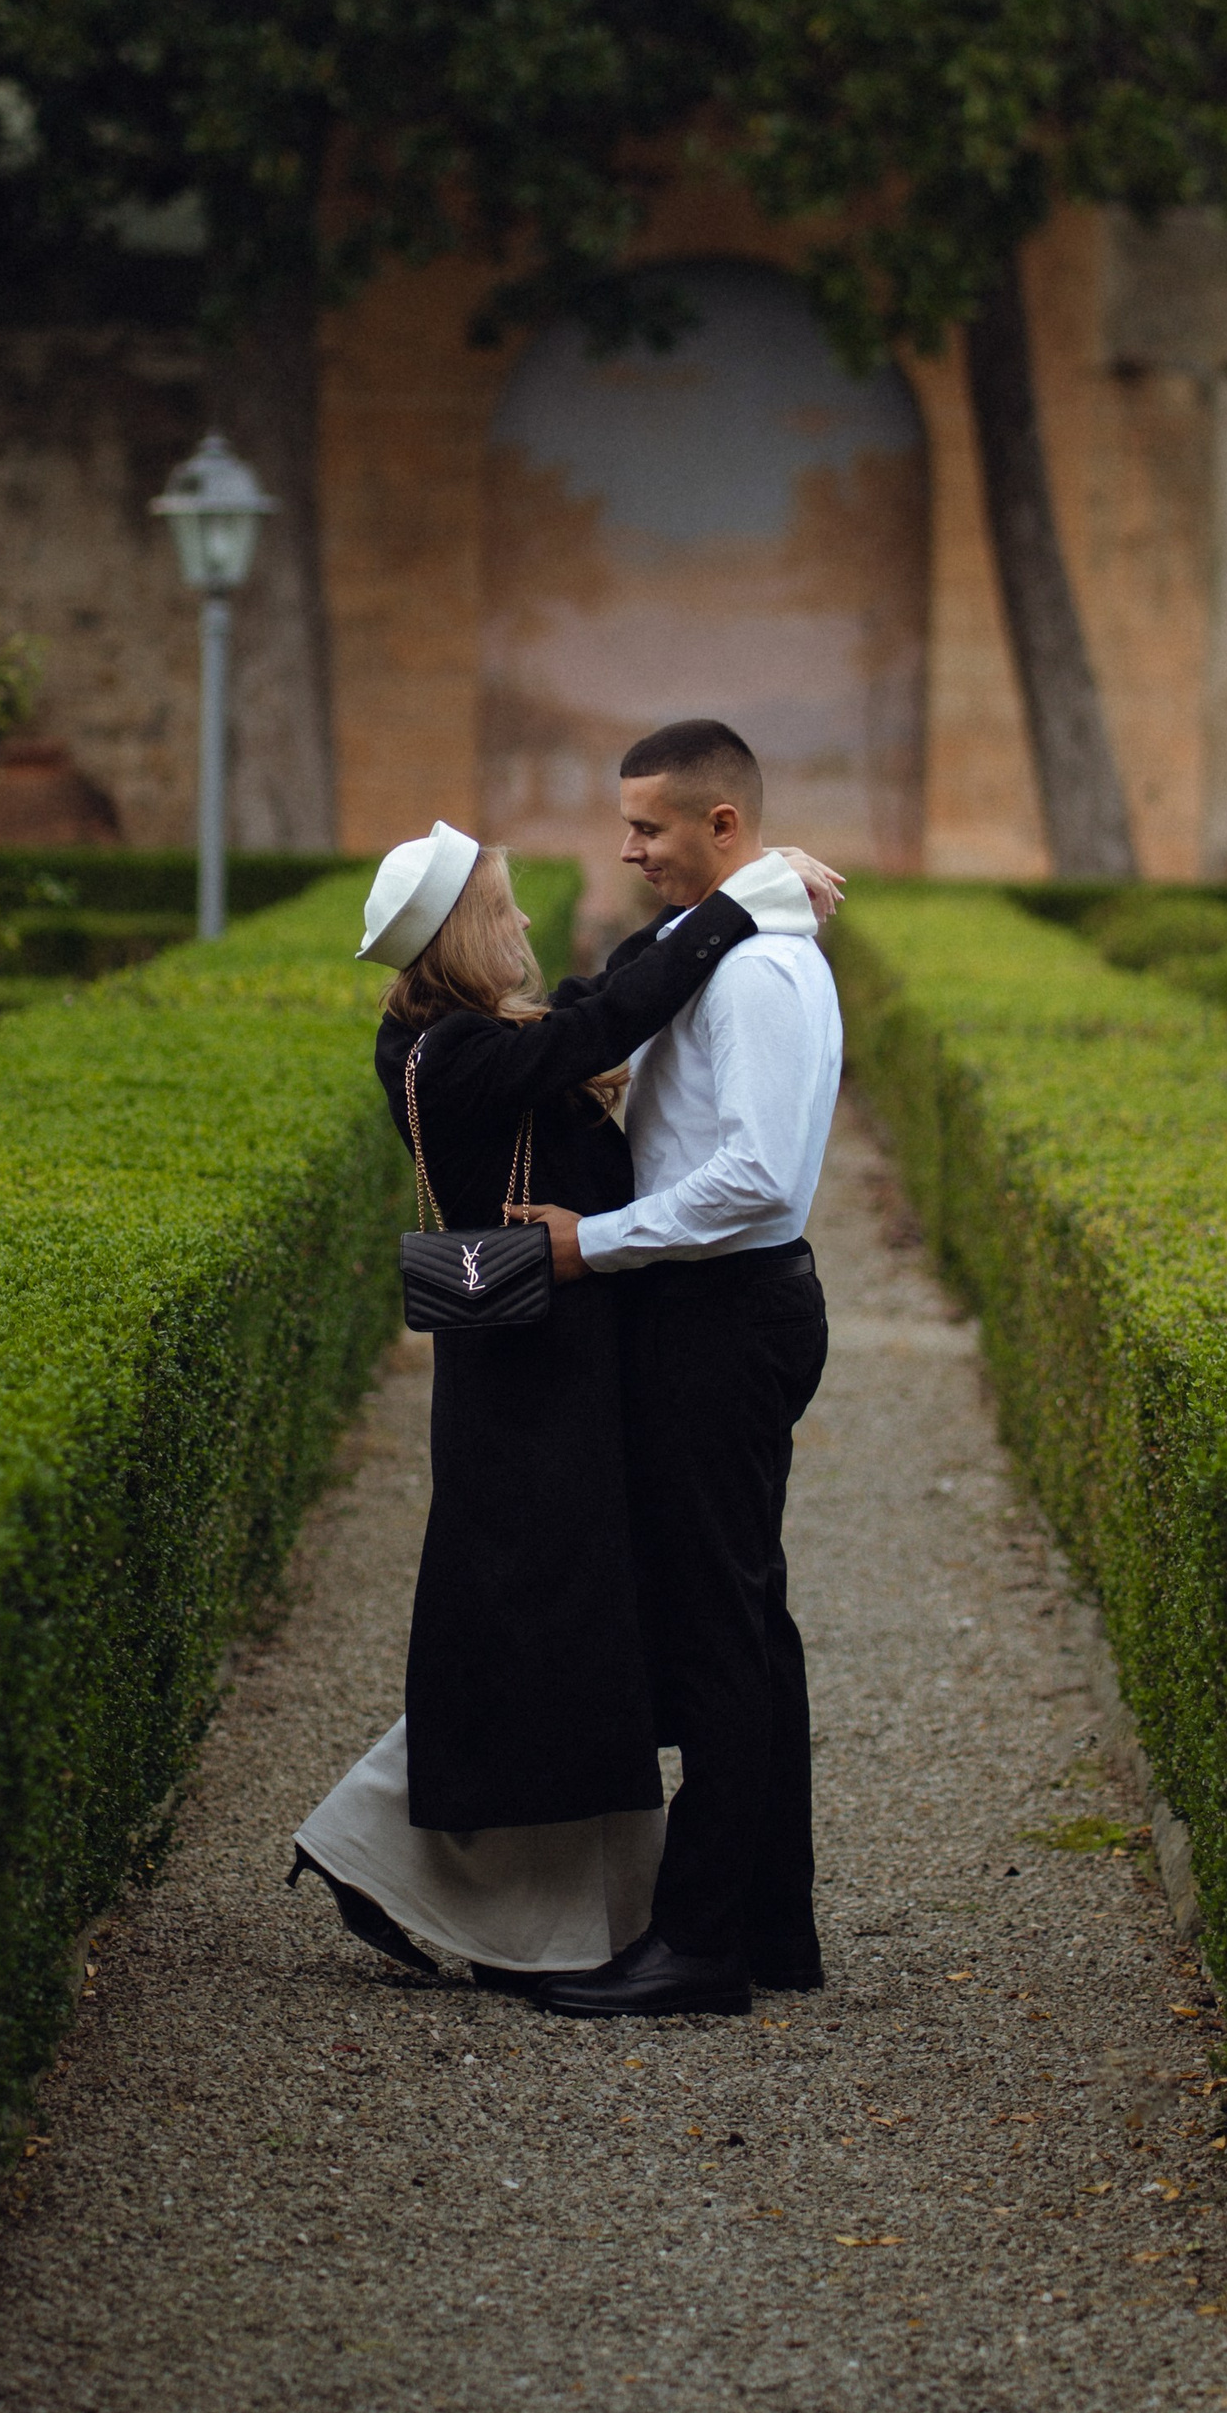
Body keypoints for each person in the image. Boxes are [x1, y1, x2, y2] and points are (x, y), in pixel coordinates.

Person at [291, 818, 835, 1986]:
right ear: (465, 932)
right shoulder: (452, 1054)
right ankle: (376, 1849)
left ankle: (477, 1879)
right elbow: (602, 1021)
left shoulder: (476, 1035)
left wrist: (721, 900)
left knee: (556, 1636)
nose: (529, 921)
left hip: (563, 1360)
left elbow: (602, 988)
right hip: (527, 1381)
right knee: (533, 1633)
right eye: (506, 903)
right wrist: (741, 905)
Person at [514, 719, 845, 2021]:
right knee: (748, 1622)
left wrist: (593, 1245)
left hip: (726, 1315)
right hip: (721, 1310)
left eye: (650, 827)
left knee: (719, 1632)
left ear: (724, 826)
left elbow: (757, 1177)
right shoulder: (730, 947)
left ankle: (700, 1944)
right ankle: (769, 1926)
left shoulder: (760, 973)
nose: (627, 847)